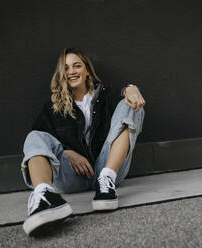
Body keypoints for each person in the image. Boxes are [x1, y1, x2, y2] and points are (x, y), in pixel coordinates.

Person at [21, 48, 145, 235]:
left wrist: (131, 88)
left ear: (87, 70)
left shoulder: (105, 95)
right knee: (34, 136)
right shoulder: (54, 105)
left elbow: (125, 107)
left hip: (108, 168)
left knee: (131, 107)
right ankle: (44, 196)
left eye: (77, 65)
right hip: (72, 177)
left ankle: (106, 181)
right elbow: (41, 142)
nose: (71, 71)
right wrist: (67, 153)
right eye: (66, 68)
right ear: (62, 74)